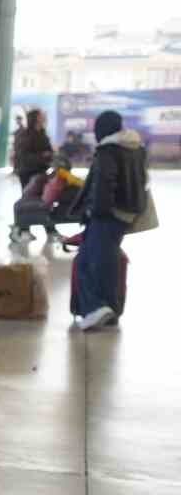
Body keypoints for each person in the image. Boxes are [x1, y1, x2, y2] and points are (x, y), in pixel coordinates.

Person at [72, 110, 149, 331]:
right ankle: (110, 309)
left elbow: (105, 184)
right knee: (108, 260)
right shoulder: (135, 148)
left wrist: (96, 211)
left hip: (108, 214)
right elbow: (143, 180)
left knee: (89, 261)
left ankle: (95, 308)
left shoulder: (108, 150)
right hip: (127, 213)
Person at [9, 154, 82, 246]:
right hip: (48, 202)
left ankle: (22, 229)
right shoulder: (59, 177)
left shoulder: (59, 177)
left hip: (47, 203)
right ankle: (25, 229)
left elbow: (49, 197)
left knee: (21, 205)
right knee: (22, 204)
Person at [11, 108, 53, 192]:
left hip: (41, 170)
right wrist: (42, 155)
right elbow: (23, 154)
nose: (44, 117)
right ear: (36, 118)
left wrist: (49, 154)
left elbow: (48, 150)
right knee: (28, 195)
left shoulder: (43, 134)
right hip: (28, 171)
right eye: (41, 115)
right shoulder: (25, 134)